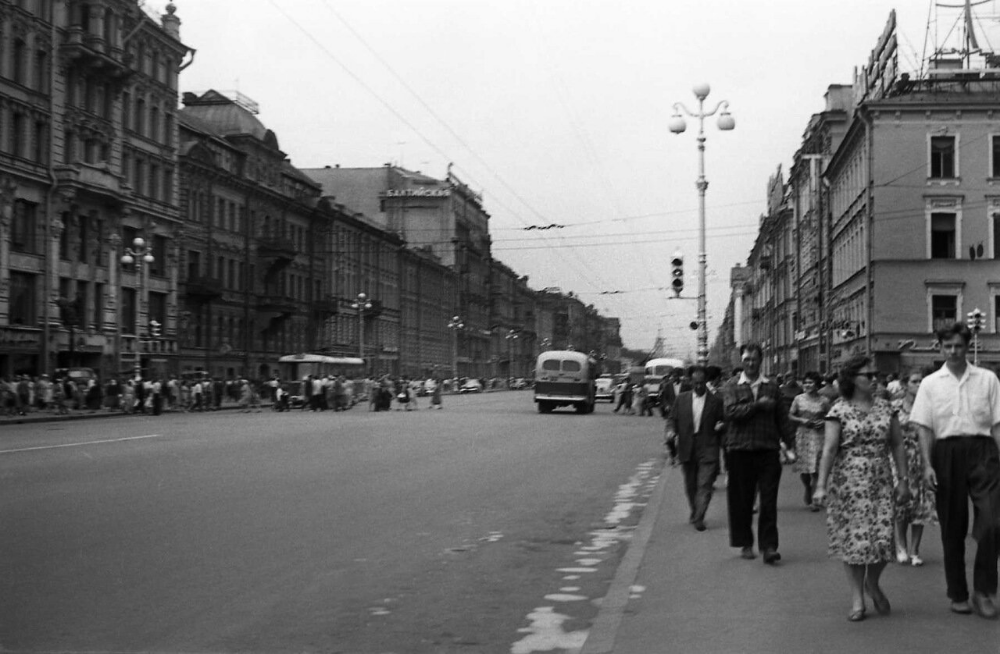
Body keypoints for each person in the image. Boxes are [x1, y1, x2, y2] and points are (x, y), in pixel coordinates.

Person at [910, 322, 1000, 618]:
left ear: (967, 345)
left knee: (991, 521)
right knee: (952, 526)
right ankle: (958, 592)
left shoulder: (988, 379)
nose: (953, 351)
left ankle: (984, 591)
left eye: (959, 345)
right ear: (940, 347)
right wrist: (926, 465)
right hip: (945, 452)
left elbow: (998, 424)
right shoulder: (930, 383)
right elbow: (923, 427)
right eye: (947, 346)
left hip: (983, 451)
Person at [813, 355, 910, 622]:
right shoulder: (838, 410)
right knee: (854, 544)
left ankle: (873, 583)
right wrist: (821, 485)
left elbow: (898, 445)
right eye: (868, 375)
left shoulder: (886, 409)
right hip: (848, 484)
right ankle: (857, 598)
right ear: (852, 379)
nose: (874, 379)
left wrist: (903, 480)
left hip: (881, 481)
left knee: (882, 541)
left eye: (875, 374)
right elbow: (830, 449)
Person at [721, 342, 796, 564]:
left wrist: (791, 443)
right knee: (741, 500)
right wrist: (756, 406)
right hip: (740, 450)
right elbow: (731, 412)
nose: (751, 363)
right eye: (746, 360)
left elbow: (782, 417)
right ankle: (745, 543)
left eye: (754, 359)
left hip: (767, 451)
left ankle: (769, 546)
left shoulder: (772, 387)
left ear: (760, 361)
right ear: (741, 361)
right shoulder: (732, 386)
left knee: (769, 500)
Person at [668, 366, 726, 531]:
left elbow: (725, 420)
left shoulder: (716, 402)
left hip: (708, 447)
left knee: (705, 484)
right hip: (687, 447)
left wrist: (722, 425)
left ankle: (700, 516)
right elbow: (672, 419)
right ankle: (695, 511)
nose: (699, 386)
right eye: (696, 383)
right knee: (691, 485)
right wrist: (671, 431)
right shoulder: (682, 399)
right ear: (690, 382)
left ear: (706, 382)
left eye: (702, 383)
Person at [891, 366, 937, 566]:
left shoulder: (930, 407)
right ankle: (901, 545)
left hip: (922, 458)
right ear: (904, 384)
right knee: (902, 503)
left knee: (920, 505)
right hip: (899, 460)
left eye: (921, 381)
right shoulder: (894, 407)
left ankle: (915, 550)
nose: (918, 385)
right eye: (914, 381)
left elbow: (934, 434)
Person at [788, 371, 831, 511]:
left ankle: (814, 499)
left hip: (819, 436)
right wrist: (801, 420)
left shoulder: (824, 401)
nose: (807, 385)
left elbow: (831, 417)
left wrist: (824, 422)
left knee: (815, 469)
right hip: (803, 436)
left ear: (817, 384)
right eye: (805, 382)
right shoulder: (798, 399)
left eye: (810, 382)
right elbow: (790, 415)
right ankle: (807, 487)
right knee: (805, 470)